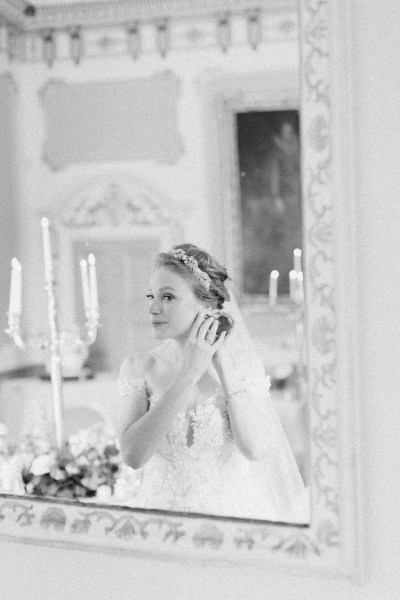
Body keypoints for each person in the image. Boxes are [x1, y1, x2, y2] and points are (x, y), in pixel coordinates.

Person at [116, 243, 309, 522]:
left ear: (207, 304)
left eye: (168, 297)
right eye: (151, 296)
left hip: (233, 518)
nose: (152, 308)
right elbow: (133, 456)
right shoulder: (139, 367)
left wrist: (224, 364)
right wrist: (187, 374)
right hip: (160, 521)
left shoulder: (240, 367)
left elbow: (255, 449)